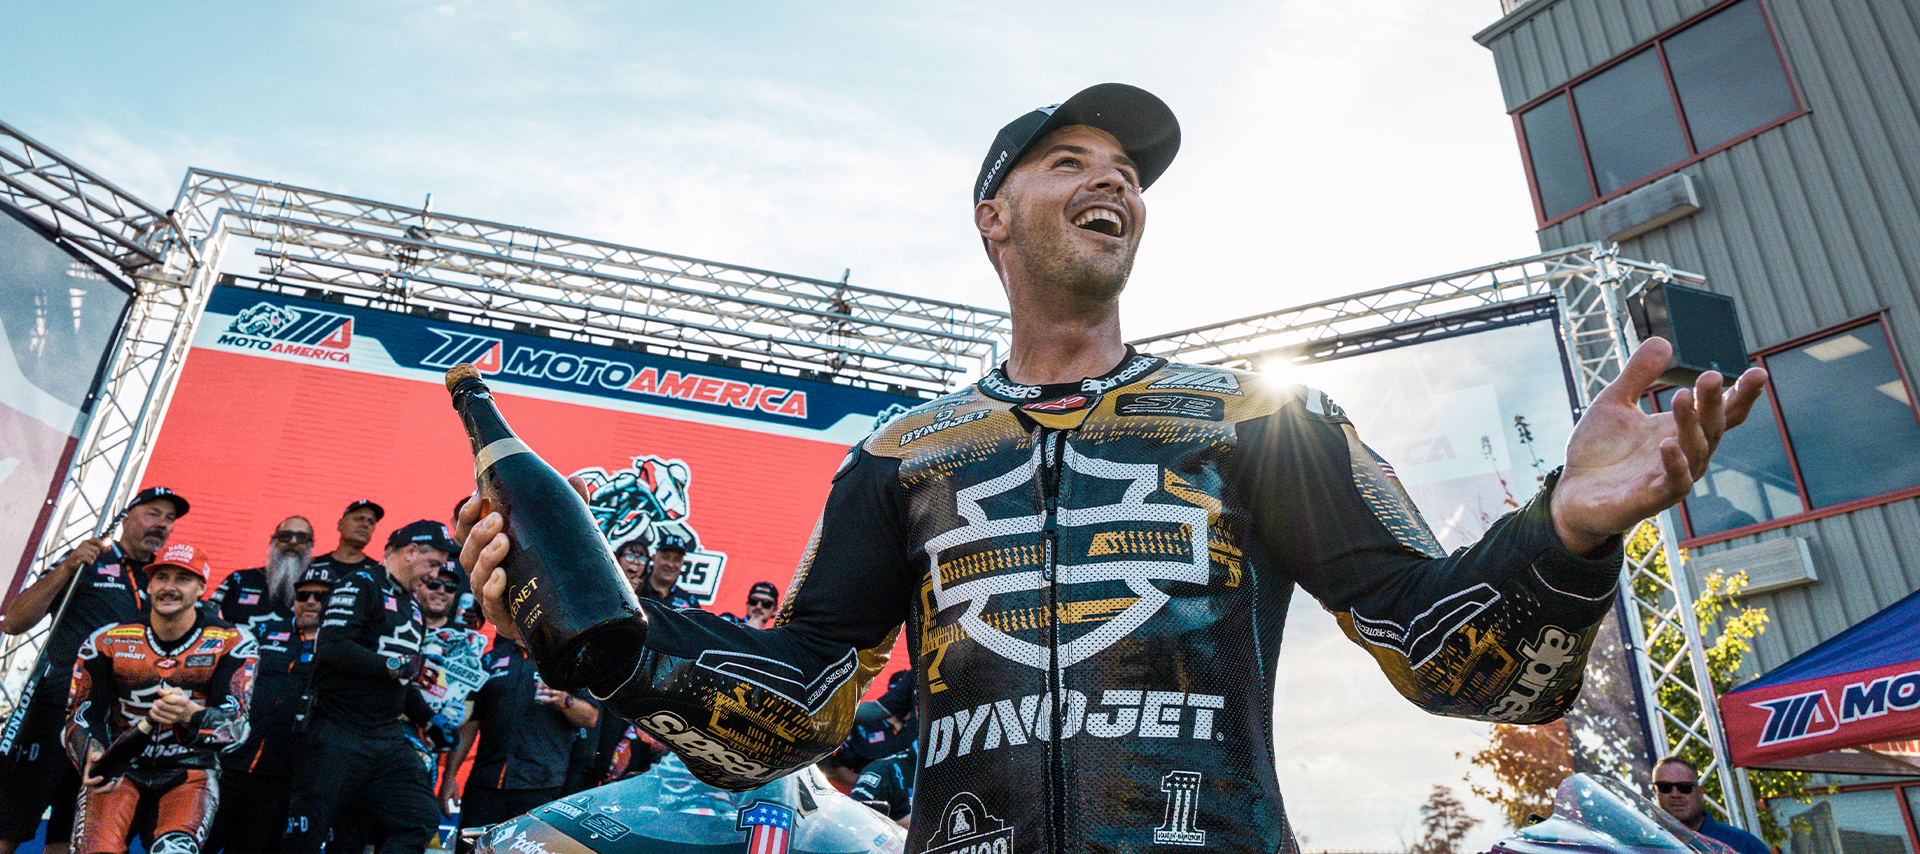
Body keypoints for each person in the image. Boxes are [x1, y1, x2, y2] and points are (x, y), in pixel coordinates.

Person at [458, 83, 1770, 853]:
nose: (1115, 182)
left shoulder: (1256, 417)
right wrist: (613, 652)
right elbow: (795, 707)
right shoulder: (903, 452)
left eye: (1129, 173)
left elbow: (1454, 657)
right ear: (996, 217)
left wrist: (1569, 535)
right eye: (1070, 163)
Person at [0, 485, 188, 854]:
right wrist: (69, 565)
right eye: (153, 514)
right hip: (57, 708)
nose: (162, 525)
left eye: (169, 520)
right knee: (9, 823)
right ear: (126, 518)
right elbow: (14, 622)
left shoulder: (161, 580)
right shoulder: (89, 560)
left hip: (112, 726)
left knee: (71, 838)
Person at [64, 543, 257, 854]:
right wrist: (91, 753)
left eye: (182, 579)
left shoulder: (231, 642)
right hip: (120, 770)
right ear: (149, 585)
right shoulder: (106, 640)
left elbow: (236, 730)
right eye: (162, 577)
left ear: (201, 588)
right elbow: (79, 717)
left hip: (189, 773)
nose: (169, 587)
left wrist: (192, 714)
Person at [284, 520, 457, 854]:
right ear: (410, 552)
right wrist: (390, 665)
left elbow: (403, 682)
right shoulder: (361, 583)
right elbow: (332, 648)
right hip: (337, 733)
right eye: (433, 563)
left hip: (386, 740)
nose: (436, 574)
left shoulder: (412, 607)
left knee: (419, 818)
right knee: (308, 838)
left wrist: (429, 719)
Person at [205, 567, 331, 854]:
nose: (310, 601)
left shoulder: (338, 648)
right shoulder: (262, 632)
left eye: (320, 596)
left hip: (282, 779)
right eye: (303, 595)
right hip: (230, 765)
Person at [439, 637, 600, 829]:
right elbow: (471, 722)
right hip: (485, 784)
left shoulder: (566, 659)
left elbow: (590, 717)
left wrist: (564, 700)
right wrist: (449, 777)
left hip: (539, 787)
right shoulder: (493, 657)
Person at [209, 515, 315, 630]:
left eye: (302, 537)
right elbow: (207, 617)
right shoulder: (239, 580)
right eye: (285, 536)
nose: (293, 542)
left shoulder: (319, 589)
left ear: (311, 545)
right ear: (272, 542)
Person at [1653, 756, 1768, 853]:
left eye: (1684, 787)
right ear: (1655, 791)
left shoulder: (1743, 844)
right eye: (1665, 787)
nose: (1675, 794)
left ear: (1700, 792)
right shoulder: (1642, 844)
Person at [305, 499, 384, 586]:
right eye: (359, 519)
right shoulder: (314, 566)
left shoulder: (378, 573)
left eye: (371, 522)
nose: (365, 525)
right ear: (340, 524)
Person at [636, 533, 700, 609]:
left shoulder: (689, 602)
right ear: (654, 558)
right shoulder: (635, 590)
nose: (670, 564)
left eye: (676, 560)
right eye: (666, 557)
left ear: (682, 563)